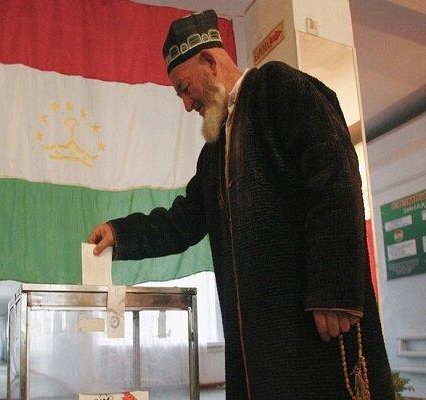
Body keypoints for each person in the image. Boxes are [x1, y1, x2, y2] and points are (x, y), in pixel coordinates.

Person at [88, 9, 394, 399]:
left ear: (210, 61)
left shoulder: (277, 87)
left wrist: (334, 289)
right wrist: (120, 233)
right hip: (257, 346)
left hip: (316, 321)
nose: (187, 104)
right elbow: (183, 221)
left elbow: (334, 175)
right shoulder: (213, 152)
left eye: (184, 88)